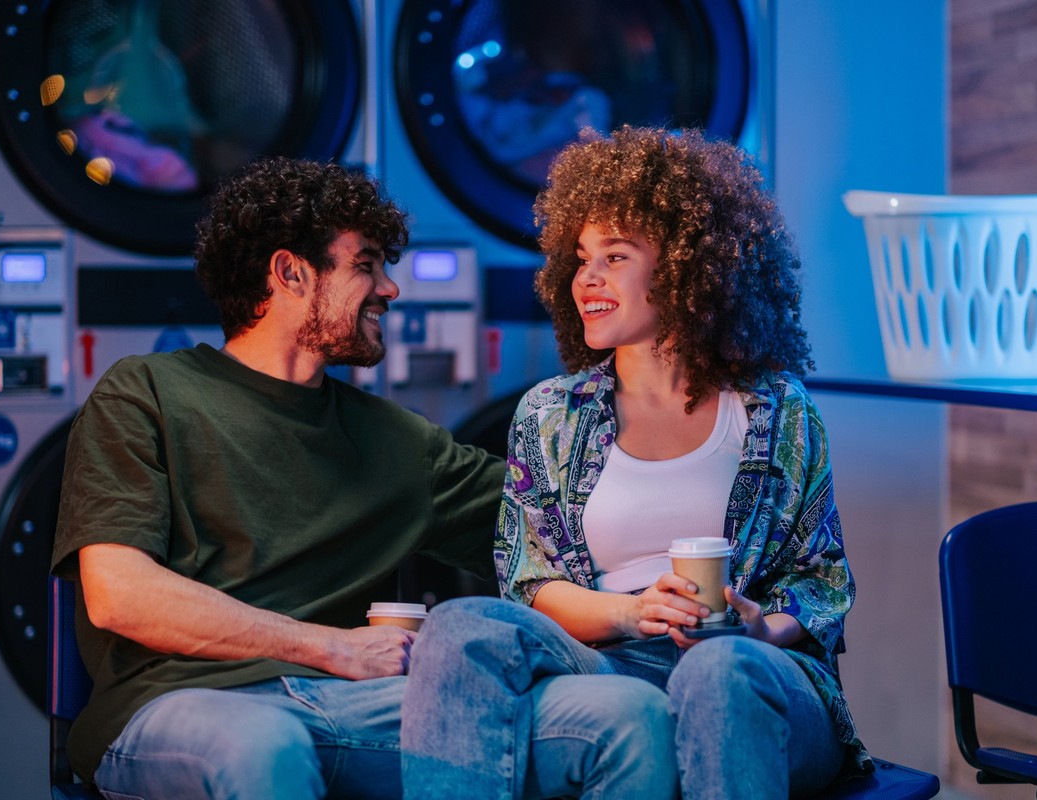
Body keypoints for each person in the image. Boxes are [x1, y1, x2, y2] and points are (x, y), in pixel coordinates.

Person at [50, 156, 672, 800]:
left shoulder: (398, 443)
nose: (389, 289)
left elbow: (569, 521)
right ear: (290, 272)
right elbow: (121, 594)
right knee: (267, 747)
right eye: (365, 264)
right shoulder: (146, 392)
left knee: (622, 720)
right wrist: (331, 648)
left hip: (355, 706)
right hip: (181, 703)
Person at [401, 126, 870, 800]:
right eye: (580, 257)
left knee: (719, 672)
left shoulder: (775, 410)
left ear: (685, 265)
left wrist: (756, 624)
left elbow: (821, 581)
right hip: (608, 662)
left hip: (753, 671)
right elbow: (529, 584)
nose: (586, 277)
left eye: (615, 256)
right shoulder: (548, 413)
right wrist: (633, 613)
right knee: (462, 625)